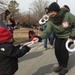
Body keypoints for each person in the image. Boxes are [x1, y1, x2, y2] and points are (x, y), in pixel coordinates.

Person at [32, 2, 75, 75]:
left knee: (63, 49)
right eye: (50, 12)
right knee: (57, 50)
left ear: (57, 11)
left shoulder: (67, 15)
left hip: (68, 36)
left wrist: (72, 36)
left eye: (52, 12)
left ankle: (64, 67)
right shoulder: (51, 19)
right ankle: (60, 65)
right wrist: (39, 37)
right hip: (59, 36)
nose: (51, 13)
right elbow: (48, 30)